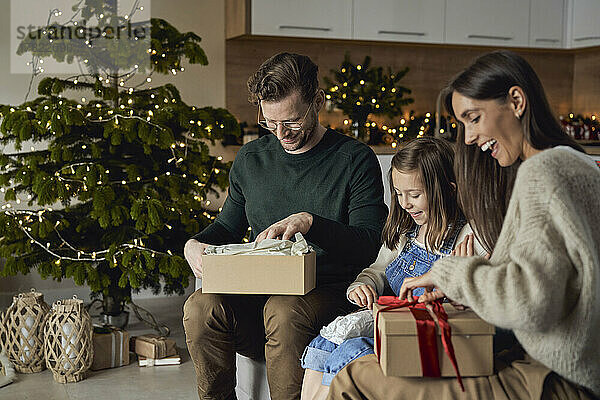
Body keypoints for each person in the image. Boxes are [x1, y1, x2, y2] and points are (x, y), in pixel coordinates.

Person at [327, 50, 600, 399]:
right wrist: (460, 284)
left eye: (474, 118)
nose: (468, 138)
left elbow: (528, 303)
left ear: (516, 101)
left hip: (557, 378)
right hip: (551, 365)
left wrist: (452, 273)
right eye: (463, 124)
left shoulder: (541, 173)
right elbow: (543, 279)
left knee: (352, 379)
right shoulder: (573, 163)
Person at [182, 52, 388, 400]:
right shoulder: (251, 159)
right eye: (270, 123)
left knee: (284, 307)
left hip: (325, 296)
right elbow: (227, 228)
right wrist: (193, 244)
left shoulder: (355, 159)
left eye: (292, 121)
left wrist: (310, 222)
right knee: (199, 306)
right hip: (257, 297)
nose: (280, 133)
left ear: (317, 102)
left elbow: (369, 243)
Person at [300, 137, 487, 400]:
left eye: (415, 195)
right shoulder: (404, 234)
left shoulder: (469, 236)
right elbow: (376, 270)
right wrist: (363, 285)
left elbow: (481, 293)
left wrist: (467, 274)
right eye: (399, 194)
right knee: (325, 342)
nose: (405, 203)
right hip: (394, 325)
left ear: (449, 189)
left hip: (426, 335)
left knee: (348, 351)